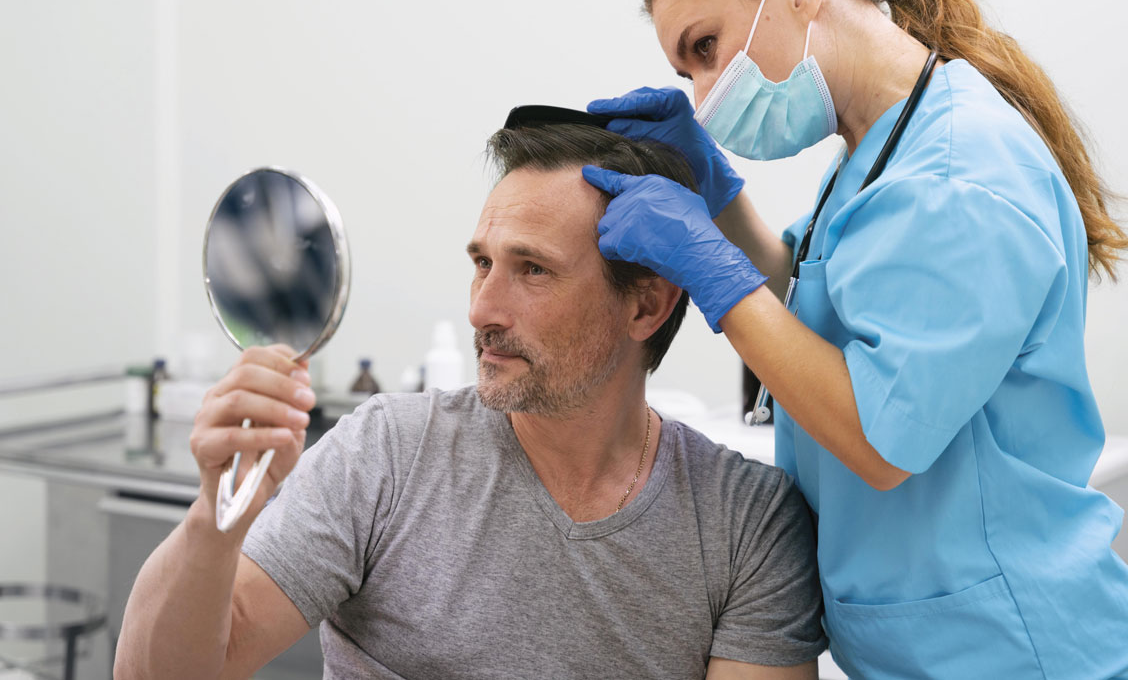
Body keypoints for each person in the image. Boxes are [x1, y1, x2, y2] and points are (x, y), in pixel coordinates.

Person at [582, 0, 1128, 680]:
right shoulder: (877, 144)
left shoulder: (962, 173)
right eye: (687, 76)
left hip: (1019, 651)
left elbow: (881, 438)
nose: (707, 97)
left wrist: (711, 274)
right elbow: (817, 306)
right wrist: (718, 199)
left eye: (706, 50)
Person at [114, 117, 827, 679]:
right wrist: (215, 517)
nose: (484, 306)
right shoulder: (389, 452)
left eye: (533, 270)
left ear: (645, 305)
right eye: (482, 262)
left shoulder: (745, 524)